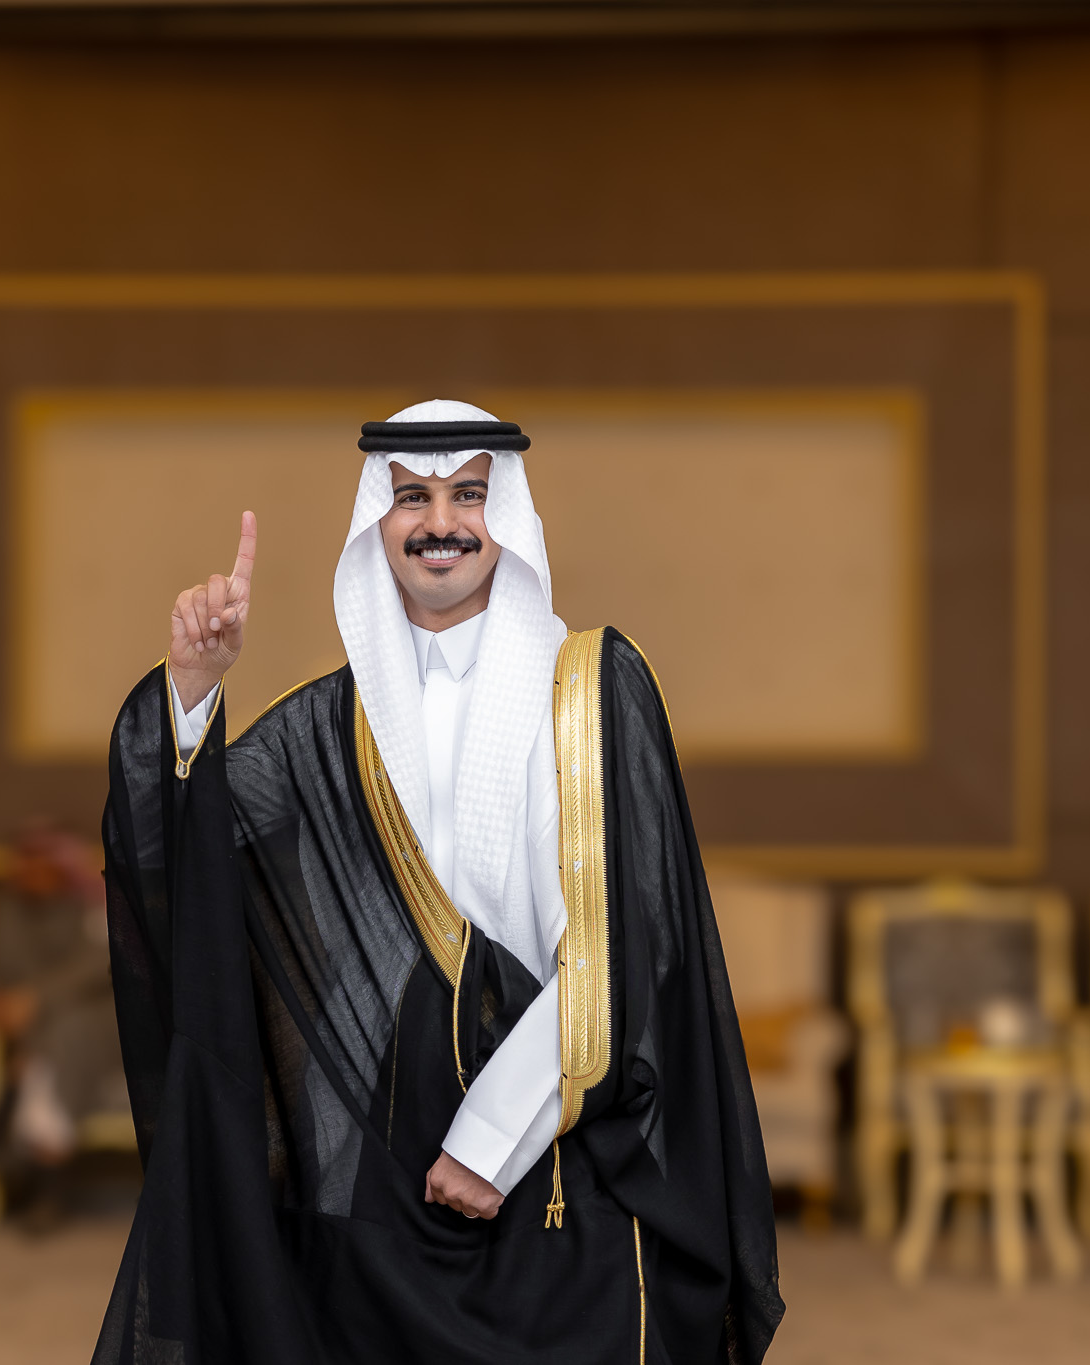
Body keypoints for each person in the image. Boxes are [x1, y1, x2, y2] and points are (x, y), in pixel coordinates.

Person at [96, 401, 781, 1363]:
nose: (441, 522)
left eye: (468, 494)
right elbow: (194, 861)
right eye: (412, 496)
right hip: (385, 1166)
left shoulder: (592, 689)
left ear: (512, 516)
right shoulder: (325, 725)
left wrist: (488, 1141)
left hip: (559, 1147)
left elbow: (617, 947)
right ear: (376, 522)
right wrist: (193, 689)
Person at [0, 821, 122, 1229]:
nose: (34, 873)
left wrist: (36, 999)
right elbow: (0, 979)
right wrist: (11, 1009)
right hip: (34, 1028)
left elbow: (97, 967)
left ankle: (8, 1130)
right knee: (52, 1043)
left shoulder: (92, 904)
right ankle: (49, 1185)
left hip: (99, 1021)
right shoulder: (5, 912)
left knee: (62, 1036)